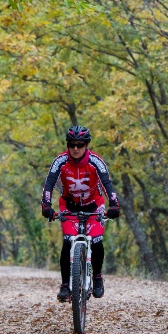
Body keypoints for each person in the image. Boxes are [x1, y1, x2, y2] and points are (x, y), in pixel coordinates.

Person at [40, 125, 121, 302]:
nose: (76, 149)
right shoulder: (60, 161)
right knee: (68, 242)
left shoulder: (95, 161)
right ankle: (64, 285)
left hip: (94, 205)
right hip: (69, 206)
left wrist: (114, 204)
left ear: (86, 145)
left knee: (97, 242)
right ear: (67, 145)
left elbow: (107, 184)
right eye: (72, 145)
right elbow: (49, 184)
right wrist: (46, 205)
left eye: (80, 145)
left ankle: (97, 276)